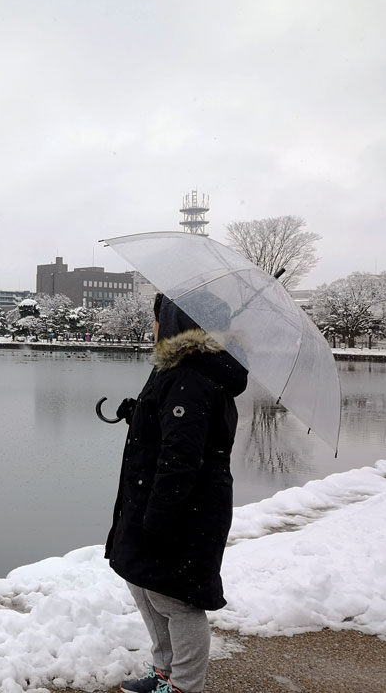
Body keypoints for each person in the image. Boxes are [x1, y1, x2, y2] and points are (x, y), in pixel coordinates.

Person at [106, 293, 248, 693]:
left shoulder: (191, 377)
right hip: (151, 498)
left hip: (184, 507)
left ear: (173, 323)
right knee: (143, 582)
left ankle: (185, 685)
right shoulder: (180, 369)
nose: (152, 328)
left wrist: (161, 516)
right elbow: (173, 431)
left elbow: (182, 456)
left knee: (176, 599)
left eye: (156, 319)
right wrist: (141, 413)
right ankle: (165, 671)